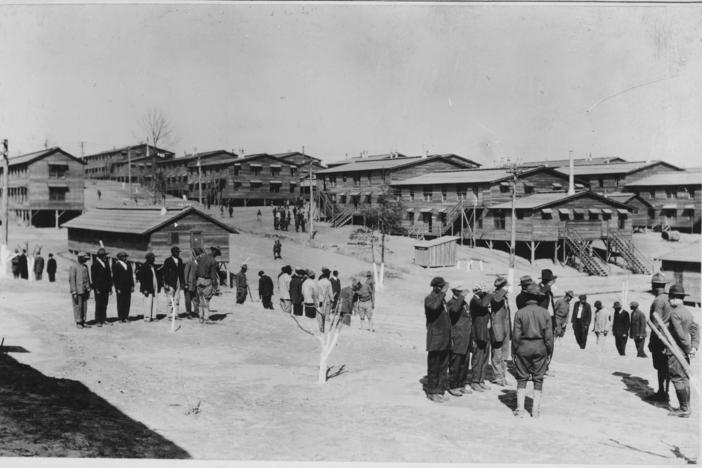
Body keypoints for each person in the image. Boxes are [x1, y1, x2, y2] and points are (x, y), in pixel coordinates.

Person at [511, 282, 553, 418]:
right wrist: (549, 352)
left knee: (522, 378)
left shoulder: (519, 313)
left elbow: (516, 336)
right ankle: (535, 411)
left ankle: (520, 409)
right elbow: (549, 337)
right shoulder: (545, 313)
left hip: (523, 347)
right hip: (540, 347)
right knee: (538, 379)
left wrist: (514, 351)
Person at [665, 284, 699, 418]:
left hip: (676, 351)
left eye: (670, 297)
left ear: (674, 298)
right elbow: (696, 330)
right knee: (684, 379)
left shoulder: (675, 314)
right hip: (685, 352)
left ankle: (684, 408)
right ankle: (686, 407)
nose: (669, 300)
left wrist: (689, 348)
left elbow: (682, 337)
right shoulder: (688, 312)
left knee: (678, 379)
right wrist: (694, 347)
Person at [424, 276, 451, 403]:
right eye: (441, 287)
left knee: (443, 366)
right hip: (435, 339)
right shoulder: (429, 299)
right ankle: (432, 392)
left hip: (445, 339)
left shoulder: (442, 300)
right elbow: (434, 307)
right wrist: (443, 293)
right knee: (434, 366)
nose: (444, 289)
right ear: (436, 287)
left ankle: (440, 390)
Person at [647, 272, 672, 402]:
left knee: (660, 367)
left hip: (660, 339)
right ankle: (665, 391)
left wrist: (652, 341)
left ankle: (662, 393)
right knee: (666, 367)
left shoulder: (658, 301)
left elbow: (655, 324)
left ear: (654, 285)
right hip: (669, 339)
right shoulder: (669, 298)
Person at [446, 282, 471, 396]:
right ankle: (453, 385)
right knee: (455, 363)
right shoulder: (451, 303)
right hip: (457, 338)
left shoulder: (463, 303)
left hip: (465, 338)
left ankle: (461, 384)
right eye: (461, 292)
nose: (463, 293)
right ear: (456, 292)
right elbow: (455, 310)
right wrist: (461, 298)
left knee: (464, 363)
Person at [469, 283, 492, 392]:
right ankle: (475, 381)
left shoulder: (481, 299)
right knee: (478, 358)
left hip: (485, 333)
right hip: (478, 333)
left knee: (485, 357)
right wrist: (490, 294)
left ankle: (481, 380)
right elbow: (483, 305)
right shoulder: (475, 300)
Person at [490, 277, 511, 387]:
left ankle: (502, 376)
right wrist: (503, 290)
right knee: (497, 354)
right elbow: (496, 299)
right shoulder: (495, 295)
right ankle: (497, 376)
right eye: (506, 286)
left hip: (505, 328)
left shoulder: (504, 297)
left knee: (504, 354)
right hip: (497, 329)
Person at [195, 247, 220, 323]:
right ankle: (206, 318)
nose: (216, 256)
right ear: (215, 253)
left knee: (200, 300)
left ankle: (200, 317)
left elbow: (196, 270)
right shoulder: (213, 261)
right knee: (206, 300)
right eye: (216, 255)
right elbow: (213, 275)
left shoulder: (201, 258)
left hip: (199, 280)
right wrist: (215, 285)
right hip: (207, 281)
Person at [69, 252, 92, 329]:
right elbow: (72, 280)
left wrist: (89, 288)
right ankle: (78, 322)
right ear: (80, 258)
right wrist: (74, 291)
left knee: (84, 306)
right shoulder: (74, 267)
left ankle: (83, 321)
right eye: (84, 259)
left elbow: (88, 278)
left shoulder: (85, 267)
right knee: (78, 306)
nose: (85, 260)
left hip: (85, 290)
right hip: (78, 290)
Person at [136, 252, 161, 322]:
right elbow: (141, 278)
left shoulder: (153, 266)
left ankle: (154, 316)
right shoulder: (144, 266)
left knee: (155, 301)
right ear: (148, 259)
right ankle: (147, 317)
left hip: (154, 286)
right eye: (152, 258)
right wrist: (144, 289)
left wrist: (158, 287)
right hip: (147, 287)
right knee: (148, 302)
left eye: (153, 258)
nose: (153, 259)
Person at [91, 248, 113, 327]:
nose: (105, 257)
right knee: (99, 304)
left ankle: (104, 319)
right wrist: (96, 288)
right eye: (104, 256)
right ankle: (98, 320)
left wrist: (110, 288)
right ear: (100, 256)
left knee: (105, 303)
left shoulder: (106, 263)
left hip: (106, 288)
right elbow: (93, 278)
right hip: (99, 289)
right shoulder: (95, 264)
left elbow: (109, 277)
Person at [162, 246, 185, 319]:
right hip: (170, 282)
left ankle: (176, 314)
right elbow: (165, 272)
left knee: (177, 298)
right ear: (172, 252)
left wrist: (182, 282)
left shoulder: (180, 260)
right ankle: (169, 315)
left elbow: (182, 272)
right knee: (170, 299)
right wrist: (165, 283)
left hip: (178, 281)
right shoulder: (168, 260)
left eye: (178, 252)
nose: (178, 253)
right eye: (176, 252)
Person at [112, 251, 134, 323]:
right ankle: (120, 318)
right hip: (120, 288)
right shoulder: (116, 265)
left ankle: (126, 317)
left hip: (128, 287)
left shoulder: (128, 264)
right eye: (123, 256)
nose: (125, 258)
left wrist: (132, 285)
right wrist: (117, 288)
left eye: (125, 256)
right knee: (120, 302)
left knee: (127, 302)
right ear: (120, 257)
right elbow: (115, 278)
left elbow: (131, 276)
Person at [184, 248, 202, 319]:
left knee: (195, 298)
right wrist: (186, 283)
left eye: (199, 255)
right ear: (194, 255)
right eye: (197, 255)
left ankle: (196, 312)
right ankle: (188, 313)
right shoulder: (189, 262)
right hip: (188, 284)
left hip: (195, 284)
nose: (198, 256)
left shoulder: (198, 262)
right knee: (188, 299)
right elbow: (186, 273)